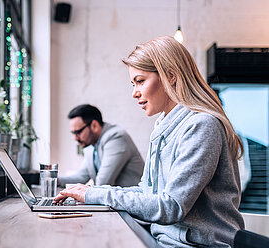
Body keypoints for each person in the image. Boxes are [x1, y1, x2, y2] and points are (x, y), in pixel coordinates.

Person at [54, 36, 244, 247]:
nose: (134, 93)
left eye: (140, 81)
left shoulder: (202, 125)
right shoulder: (164, 125)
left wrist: (94, 194)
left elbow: (172, 206)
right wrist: (89, 194)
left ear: (170, 76)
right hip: (163, 239)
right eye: (133, 83)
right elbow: (147, 192)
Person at [58, 104, 144, 187]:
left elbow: (103, 183)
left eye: (78, 132)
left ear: (94, 125)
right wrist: (54, 180)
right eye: (73, 133)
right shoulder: (90, 145)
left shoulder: (116, 137)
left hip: (131, 200)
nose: (75, 138)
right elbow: (82, 177)